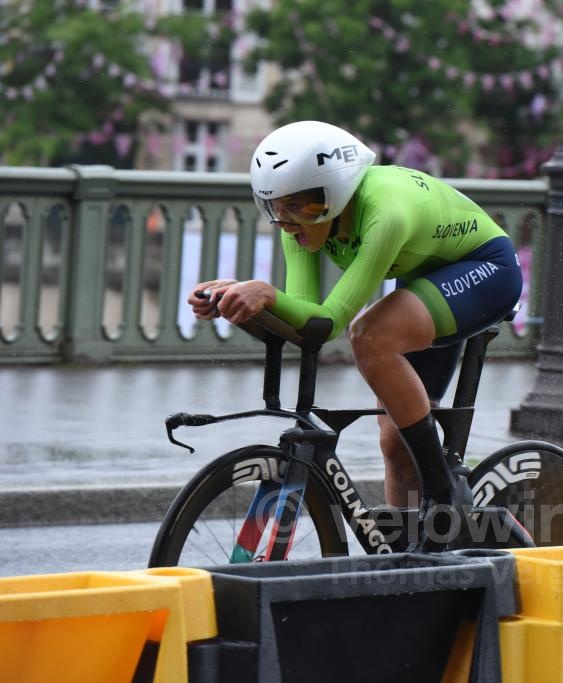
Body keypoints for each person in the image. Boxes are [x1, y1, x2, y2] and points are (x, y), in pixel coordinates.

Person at [187, 120, 523, 550]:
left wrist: (267, 294)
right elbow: (305, 324)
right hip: (425, 280)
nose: (288, 222)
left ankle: (444, 493)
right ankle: (414, 560)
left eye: (302, 206)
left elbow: (331, 323)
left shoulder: (385, 213)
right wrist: (238, 300)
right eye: (275, 208)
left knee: (369, 334)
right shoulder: (301, 227)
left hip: (487, 269)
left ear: (339, 192)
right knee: (396, 444)